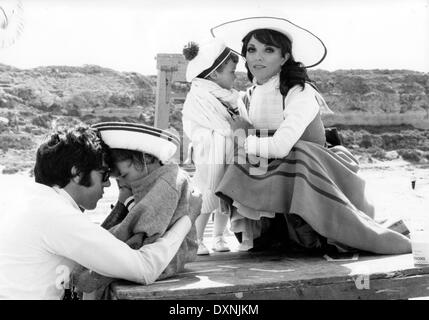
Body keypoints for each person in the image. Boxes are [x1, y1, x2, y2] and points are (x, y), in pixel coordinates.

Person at [211, 17, 411, 255]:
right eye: (251, 50)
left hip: (316, 170)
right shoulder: (250, 95)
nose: (257, 57)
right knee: (238, 155)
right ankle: (267, 231)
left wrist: (243, 138)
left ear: (285, 57)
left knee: (296, 152)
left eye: (269, 50)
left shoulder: (300, 91)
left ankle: (326, 229)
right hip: (274, 174)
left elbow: (281, 146)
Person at [0, 126, 198, 300]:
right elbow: (145, 268)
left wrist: (121, 205)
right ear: (77, 173)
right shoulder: (59, 217)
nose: (108, 183)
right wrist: (188, 218)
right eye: (103, 175)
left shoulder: (31, 201)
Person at [71, 122, 202, 299]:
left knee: (91, 275)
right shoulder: (147, 180)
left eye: (124, 175)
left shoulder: (167, 183)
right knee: (90, 270)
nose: (123, 184)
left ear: (146, 158)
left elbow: (143, 229)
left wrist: (110, 238)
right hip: (156, 250)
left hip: (167, 256)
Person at [181, 38, 250, 255]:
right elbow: (203, 123)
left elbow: (239, 120)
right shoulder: (200, 95)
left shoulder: (232, 97)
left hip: (229, 150)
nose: (235, 75)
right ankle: (198, 238)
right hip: (209, 152)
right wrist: (226, 132)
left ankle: (219, 236)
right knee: (206, 194)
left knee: (225, 194)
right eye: (231, 71)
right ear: (214, 75)